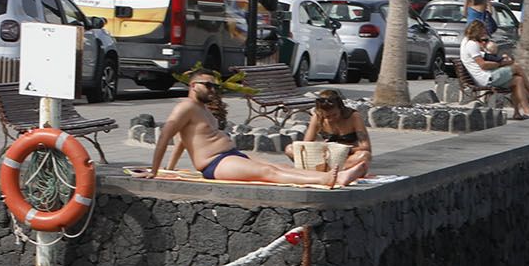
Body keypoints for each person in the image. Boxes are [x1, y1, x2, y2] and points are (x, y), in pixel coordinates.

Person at [141, 70, 344, 185]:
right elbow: (166, 135)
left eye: (215, 86)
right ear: (193, 86)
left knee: (280, 167)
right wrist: (155, 171)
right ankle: (324, 179)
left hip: (231, 155)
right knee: (267, 172)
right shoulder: (185, 107)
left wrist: (170, 168)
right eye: (208, 85)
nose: (213, 89)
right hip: (215, 163)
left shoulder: (201, 109)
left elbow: (183, 142)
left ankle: (329, 178)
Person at [458, 20, 529, 115]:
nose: (484, 35)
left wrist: (501, 60)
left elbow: (485, 57)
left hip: (487, 76)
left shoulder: (466, 42)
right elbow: (483, 65)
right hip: (487, 78)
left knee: (518, 80)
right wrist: (500, 64)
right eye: (483, 32)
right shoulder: (472, 44)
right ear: (477, 31)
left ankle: (522, 112)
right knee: (517, 68)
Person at [294, 90, 374, 183]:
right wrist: (321, 147)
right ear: (321, 112)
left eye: (334, 115)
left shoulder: (353, 116)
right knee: (291, 149)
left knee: (364, 155)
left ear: (340, 108)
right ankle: (330, 172)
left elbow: (366, 147)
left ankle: (330, 172)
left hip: (346, 157)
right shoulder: (317, 117)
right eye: (327, 116)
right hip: (325, 158)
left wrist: (344, 149)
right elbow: (306, 144)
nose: (331, 119)